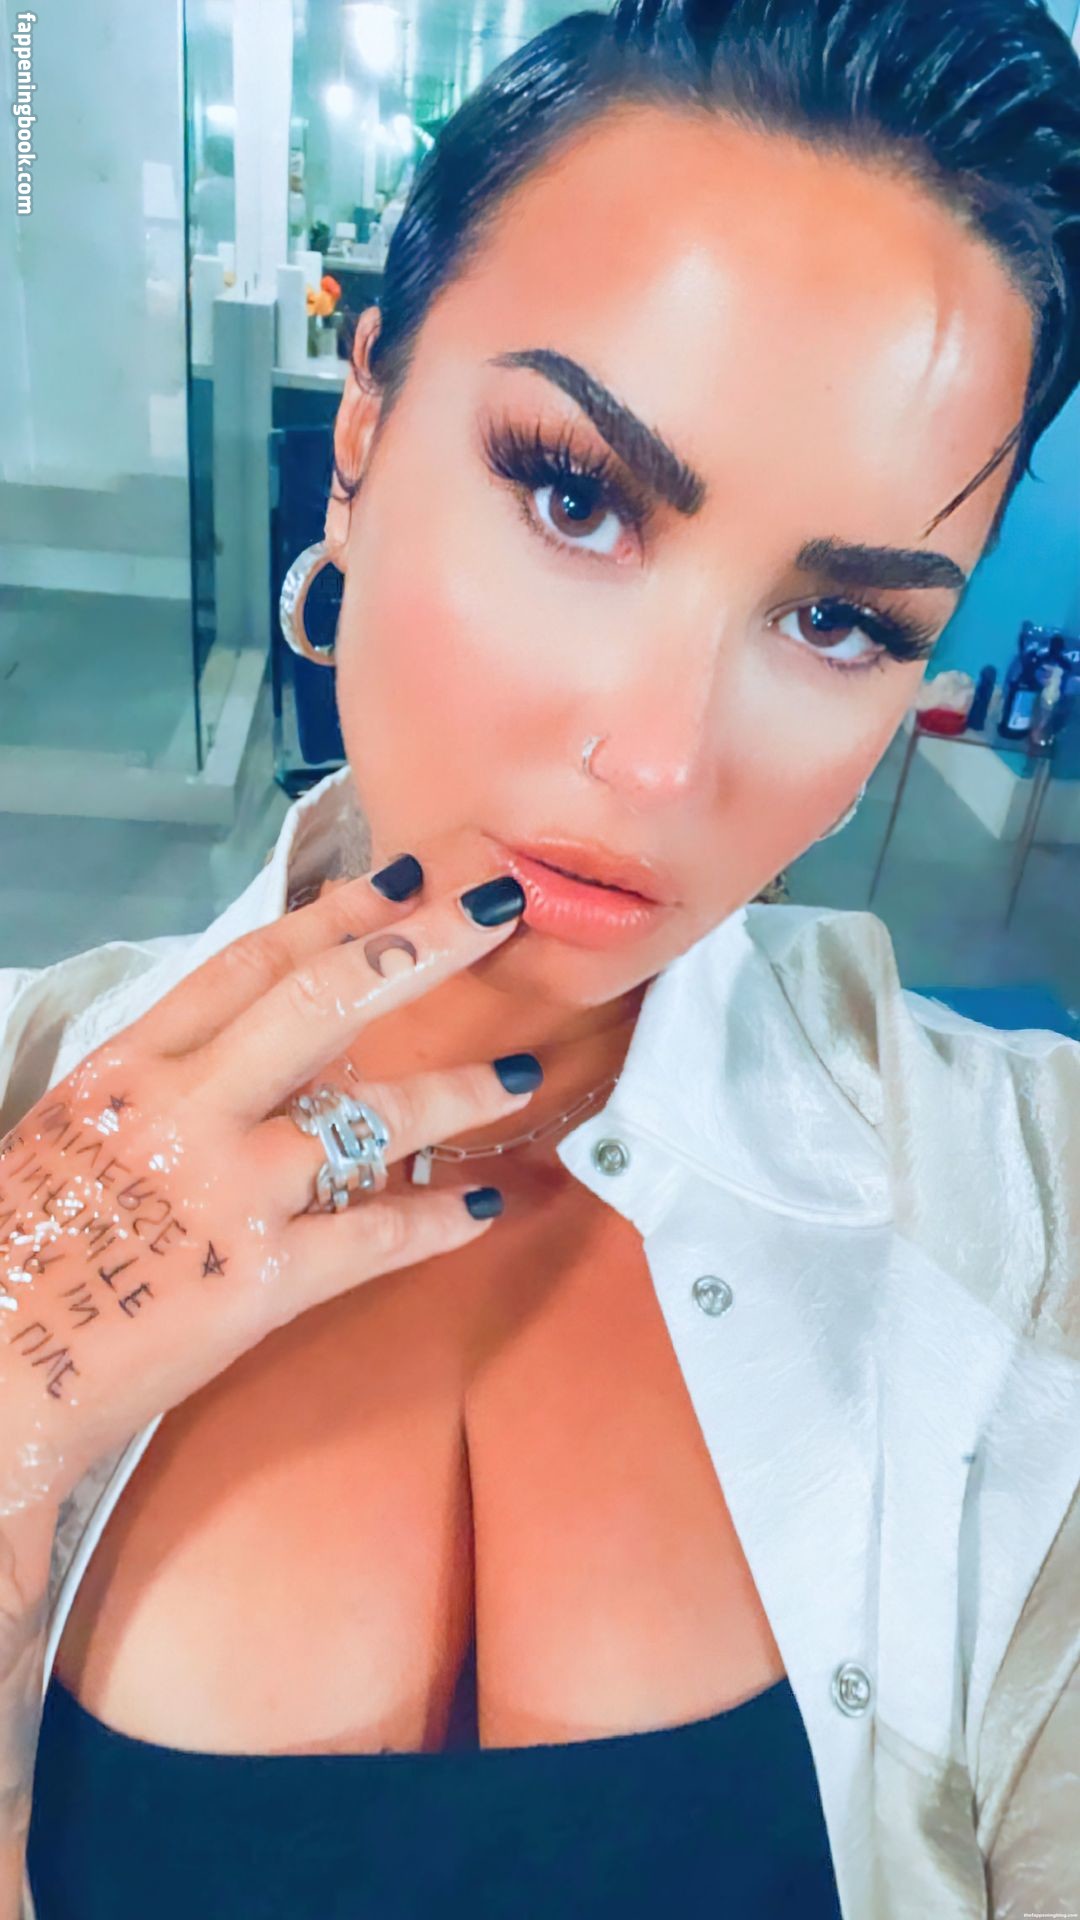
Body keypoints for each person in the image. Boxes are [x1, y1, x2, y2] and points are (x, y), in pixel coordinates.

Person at [3, 0, 1080, 1914]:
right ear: (361, 434)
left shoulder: (1032, 1214)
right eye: (576, 498)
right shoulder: (20, 1111)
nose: (661, 762)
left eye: (839, 622)